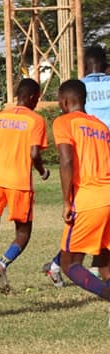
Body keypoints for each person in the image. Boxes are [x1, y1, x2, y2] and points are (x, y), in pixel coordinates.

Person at [0, 78, 49, 296]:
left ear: (17, 95)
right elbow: (35, 153)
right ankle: (3, 263)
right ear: (34, 97)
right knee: (23, 233)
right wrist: (42, 171)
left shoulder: (0, 116)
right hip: (19, 183)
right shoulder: (36, 120)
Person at [43, 45, 110, 287]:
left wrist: (66, 201)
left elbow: (67, 159)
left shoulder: (64, 122)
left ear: (63, 100)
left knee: (70, 264)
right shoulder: (102, 127)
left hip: (88, 197)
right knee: (104, 263)